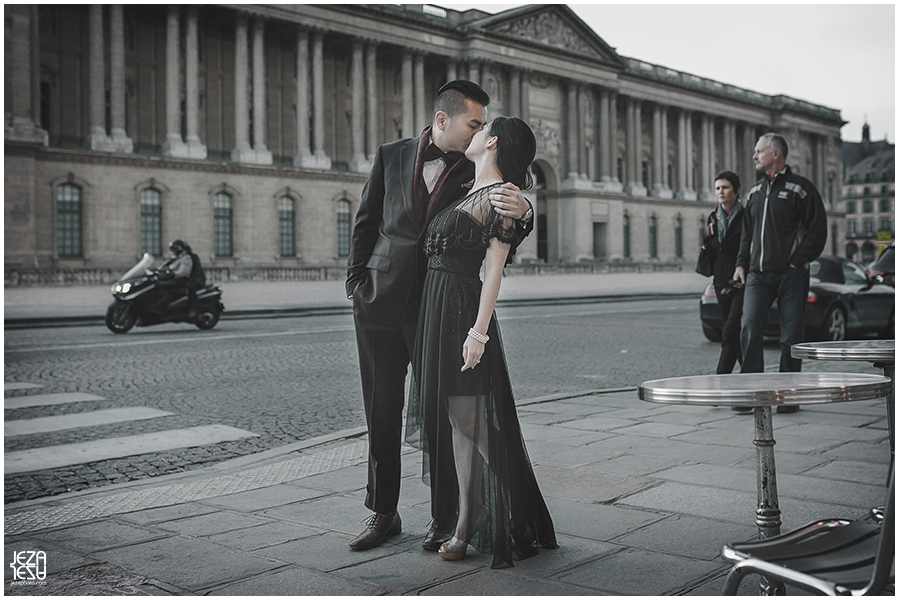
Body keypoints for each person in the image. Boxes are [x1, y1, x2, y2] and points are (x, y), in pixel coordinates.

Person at [345, 81, 534, 552]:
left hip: (436, 308)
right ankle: (383, 512)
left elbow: (502, 217)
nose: (478, 129)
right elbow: (367, 221)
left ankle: (445, 518)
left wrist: (527, 208)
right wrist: (356, 283)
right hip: (379, 302)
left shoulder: (475, 171)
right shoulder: (390, 155)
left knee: (443, 417)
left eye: (482, 125)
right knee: (381, 412)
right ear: (442, 119)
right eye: (474, 121)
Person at [407, 116, 557, 568]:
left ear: (491, 141)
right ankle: (467, 517)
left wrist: (478, 332)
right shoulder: (466, 189)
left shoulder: (500, 198)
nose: (470, 133)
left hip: (459, 312)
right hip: (437, 308)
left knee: (470, 423)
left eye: (479, 127)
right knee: (459, 422)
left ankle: (513, 506)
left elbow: (493, 269)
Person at [733, 133, 827, 412]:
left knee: (790, 335)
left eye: (759, 151)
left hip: (791, 275)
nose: (754, 156)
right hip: (758, 275)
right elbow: (746, 235)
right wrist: (741, 264)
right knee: (749, 328)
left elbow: (817, 229)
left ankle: (788, 394)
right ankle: (752, 392)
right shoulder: (754, 192)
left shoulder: (801, 188)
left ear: (776, 153)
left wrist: (798, 260)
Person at [703, 172, 745, 373]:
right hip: (720, 281)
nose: (721, 192)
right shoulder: (714, 217)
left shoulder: (746, 216)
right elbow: (710, 245)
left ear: (737, 191)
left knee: (729, 332)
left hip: (740, 282)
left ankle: (720, 381)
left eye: (725, 187)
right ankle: (752, 375)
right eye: (718, 188)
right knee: (733, 333)